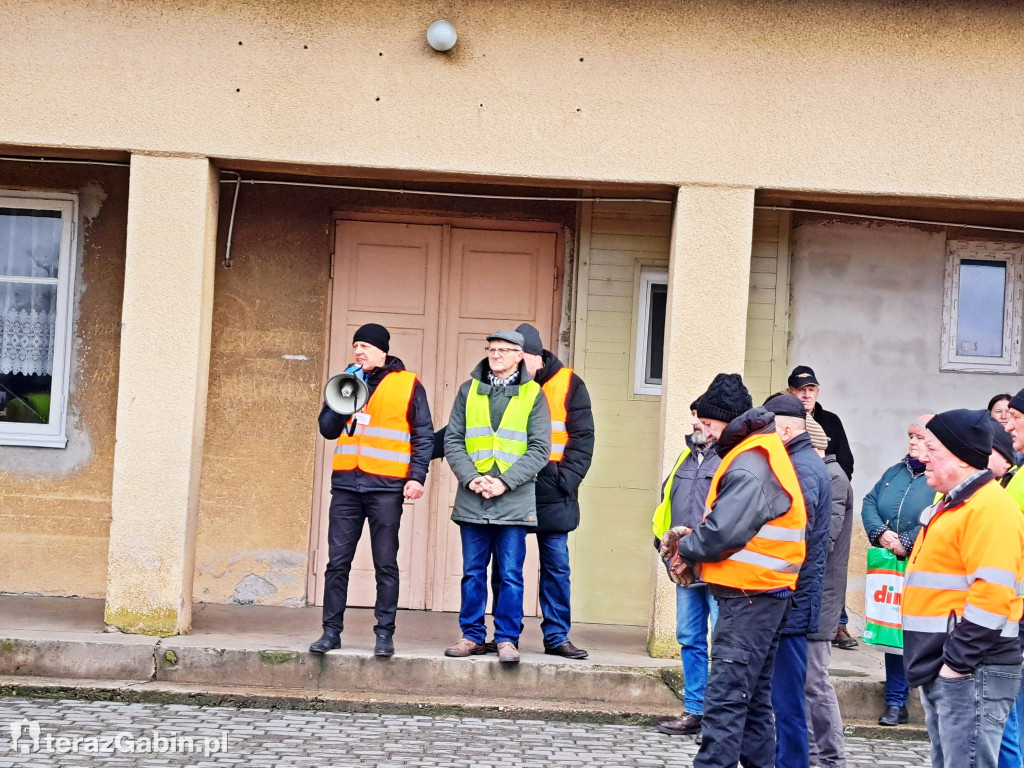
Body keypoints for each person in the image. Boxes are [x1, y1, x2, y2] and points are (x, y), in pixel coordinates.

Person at [662, 373, 806, 768]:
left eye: (708, 424)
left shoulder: (749, 461)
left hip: (749, 597)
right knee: (753, 702)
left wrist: (685, 547)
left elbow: (723, 531)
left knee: (726, 699)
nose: (702, 431)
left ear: (729, 421)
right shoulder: (758, 452)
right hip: (763, 594)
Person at [904, 408, 1024, 768]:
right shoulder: (956, 505)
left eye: (932, 448)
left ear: (959, 457)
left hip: (970, 669)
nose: (921, 455)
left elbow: (992, 597)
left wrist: (955, 664)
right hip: (951, 665)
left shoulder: (988, 509)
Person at [311, 323, 434, 657]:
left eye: (364, 346)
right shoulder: (347, 381)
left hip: (387, 488)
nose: (358, 352)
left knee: (385, 563)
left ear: (383, 350)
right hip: (347, 487)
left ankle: (384, 635)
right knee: (337, 563)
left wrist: (416, 477)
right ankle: (330, 632)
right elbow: (327, 430)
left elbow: (424, 435)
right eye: (355, 346)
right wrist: (343, 399)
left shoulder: (408, 385)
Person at [484, 323, 595, 659]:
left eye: (520, 359)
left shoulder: (569, 384)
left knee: (556, 567)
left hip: (553, 493)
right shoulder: (500, 384)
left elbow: (583, 438)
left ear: (534, 356)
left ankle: (557, 636)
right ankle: (506, 636)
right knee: (505, 569)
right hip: (511, 491)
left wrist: (564, 480)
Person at [443, 329, 551, 664]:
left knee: (510, 573)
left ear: (520, 356)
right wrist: (472, 478)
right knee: (473, 572)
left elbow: (540, 449)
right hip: (473, 496)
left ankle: (507, 639)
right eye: (492, 349)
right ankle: (472, 636)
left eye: (504, 350)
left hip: (513, 499)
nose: (496, 355)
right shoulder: (468, 390)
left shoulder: (534, 395)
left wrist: (504, 482)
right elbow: (453, 441)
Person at [764, 394, 832, 768]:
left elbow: (792, 533)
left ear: (785, 429)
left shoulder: (802, 468)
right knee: (783, 700)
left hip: (791, 601)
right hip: (790, 598)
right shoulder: (798, 461)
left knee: (788, 704)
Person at [654, 399, 723, 736]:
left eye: (705, 419)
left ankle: (722, 713)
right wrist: (663, 547)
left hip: (719, 564)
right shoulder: (684, 457)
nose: (698, 424)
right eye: (695, 416)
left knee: (722, 639)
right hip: (685, 567)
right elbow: (666, 503)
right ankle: (695, 709)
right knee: (690, 637)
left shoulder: (728, 458)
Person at [860, 414, 935, 725]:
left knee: (923, 635)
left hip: (926, 567)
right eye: (910, 436)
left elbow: (941, 513)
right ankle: (896, 701)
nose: (912, 442)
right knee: (894, 631)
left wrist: (908, 539)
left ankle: (933, 700)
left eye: (919, 437)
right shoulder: (895, 471)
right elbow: (869, 502)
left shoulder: (940, 476)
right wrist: (881, 534)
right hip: (892, 566)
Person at [805, 414, 853, 768]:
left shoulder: (833, 479)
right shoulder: (825, 475)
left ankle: (830, 756)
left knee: (815, 679)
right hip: (813, 593)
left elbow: (823, 539)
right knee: (806, 679)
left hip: (821, 594)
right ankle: (811, 752)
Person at [787, 365, 854, 480]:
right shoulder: (780, 420)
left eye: (811, 390)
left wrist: (830, 488)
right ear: (790, 392)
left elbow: (846, 464)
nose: (807, 395)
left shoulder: (832, 421)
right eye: (801, 390)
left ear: (817, 393)